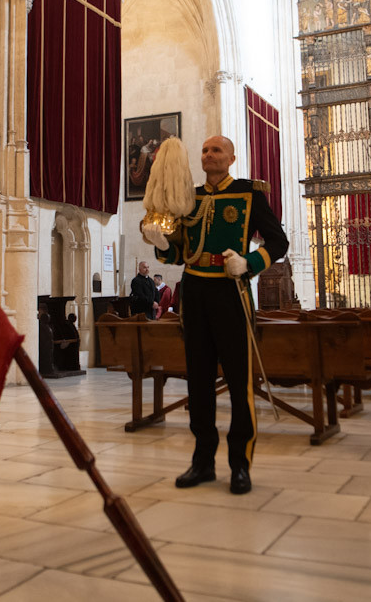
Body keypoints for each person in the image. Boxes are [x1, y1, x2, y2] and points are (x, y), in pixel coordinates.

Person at [141, 135, 288, 495]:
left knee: (239, 382)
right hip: (195, 292)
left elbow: (278, 242)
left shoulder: (249, 193)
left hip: (230, 292)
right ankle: (203, 461)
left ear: (231, 158)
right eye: (205, 150)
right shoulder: (188, 199)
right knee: (199, 382)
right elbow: (180, 254)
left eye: (216, 150)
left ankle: (240, 464)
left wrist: (250, 262)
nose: (208, 155)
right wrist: (162, 244)